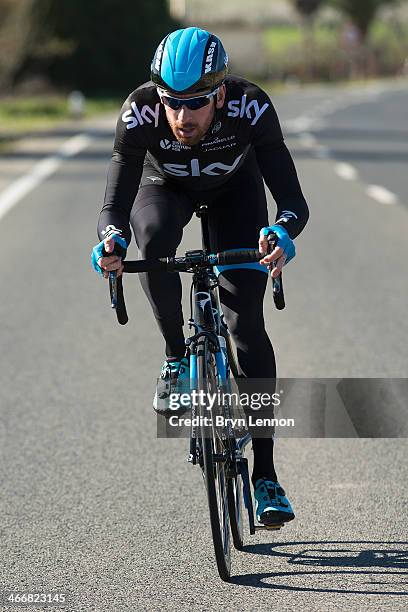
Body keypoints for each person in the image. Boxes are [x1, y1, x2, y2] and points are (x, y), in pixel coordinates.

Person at [92, 27, 309, 526]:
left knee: (245, 324)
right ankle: (175, 358)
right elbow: (117, 194)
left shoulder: (251, 108)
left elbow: (293, 201)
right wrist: (111, 239)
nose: (182, 117)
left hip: (236, 193)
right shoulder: (140, 112)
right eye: (172, 102)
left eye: (195, 103)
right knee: (151, 238)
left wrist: (281, 232)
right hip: (163, 187)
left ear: (221, 94)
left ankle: (266, 476)